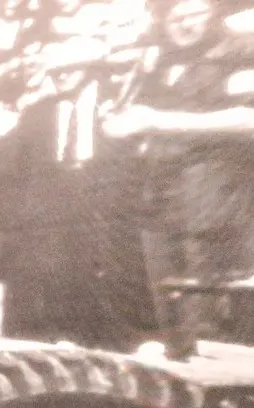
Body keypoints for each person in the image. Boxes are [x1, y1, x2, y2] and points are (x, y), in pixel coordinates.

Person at [103, 0, 254, 355]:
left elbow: (248, 120)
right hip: (158, 190)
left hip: (213, 192)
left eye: (197, 14)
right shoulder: (155, 61)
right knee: (167, 296)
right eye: (177, 16)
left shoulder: (239, 51)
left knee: (210, 303)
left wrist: (158, 121)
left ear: (215, 14)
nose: (186, 24)